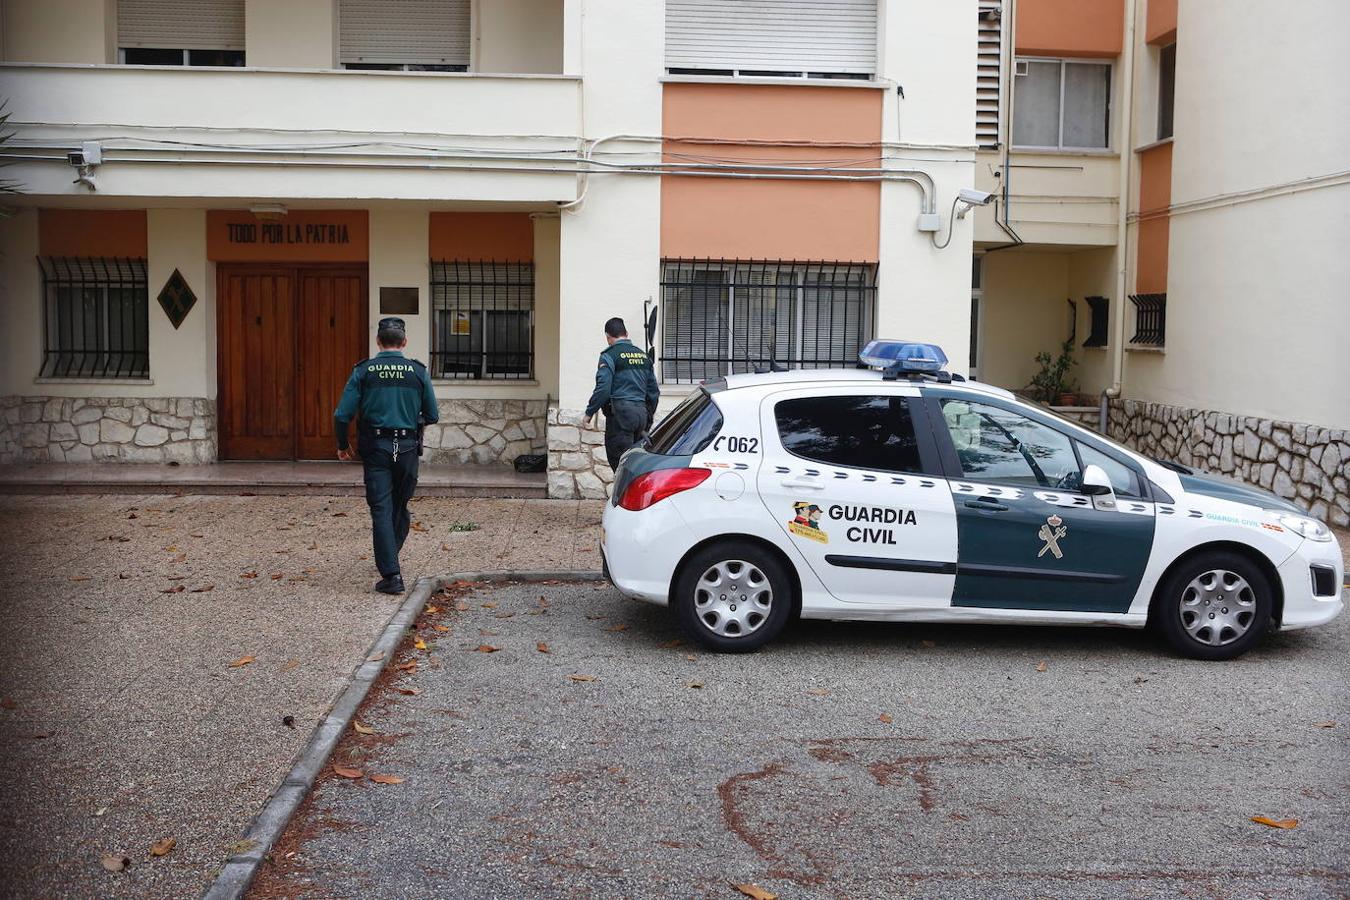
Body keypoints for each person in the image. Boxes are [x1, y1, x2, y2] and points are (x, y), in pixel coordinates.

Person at [334, 317, 439, 595]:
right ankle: (390, 556)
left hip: (377, 447)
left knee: (381, 508)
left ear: (378, 342)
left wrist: (343, 444)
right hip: (405, 449)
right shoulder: (417, 371)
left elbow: (342, 414)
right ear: (403, 342)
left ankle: (391, 572)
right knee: (399, 504)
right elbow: (433, 415)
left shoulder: (364, 371)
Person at [582, 317, 660, 470]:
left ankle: (623, 494)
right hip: (640, 417)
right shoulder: (643, 356)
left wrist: (589, 412)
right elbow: (653, 393)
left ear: (608, 336)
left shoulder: (610, 355)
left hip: (620, 417)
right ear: (626, 333)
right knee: (636, 465)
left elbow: (603, 388)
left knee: (620, 466)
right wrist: (647, 421)